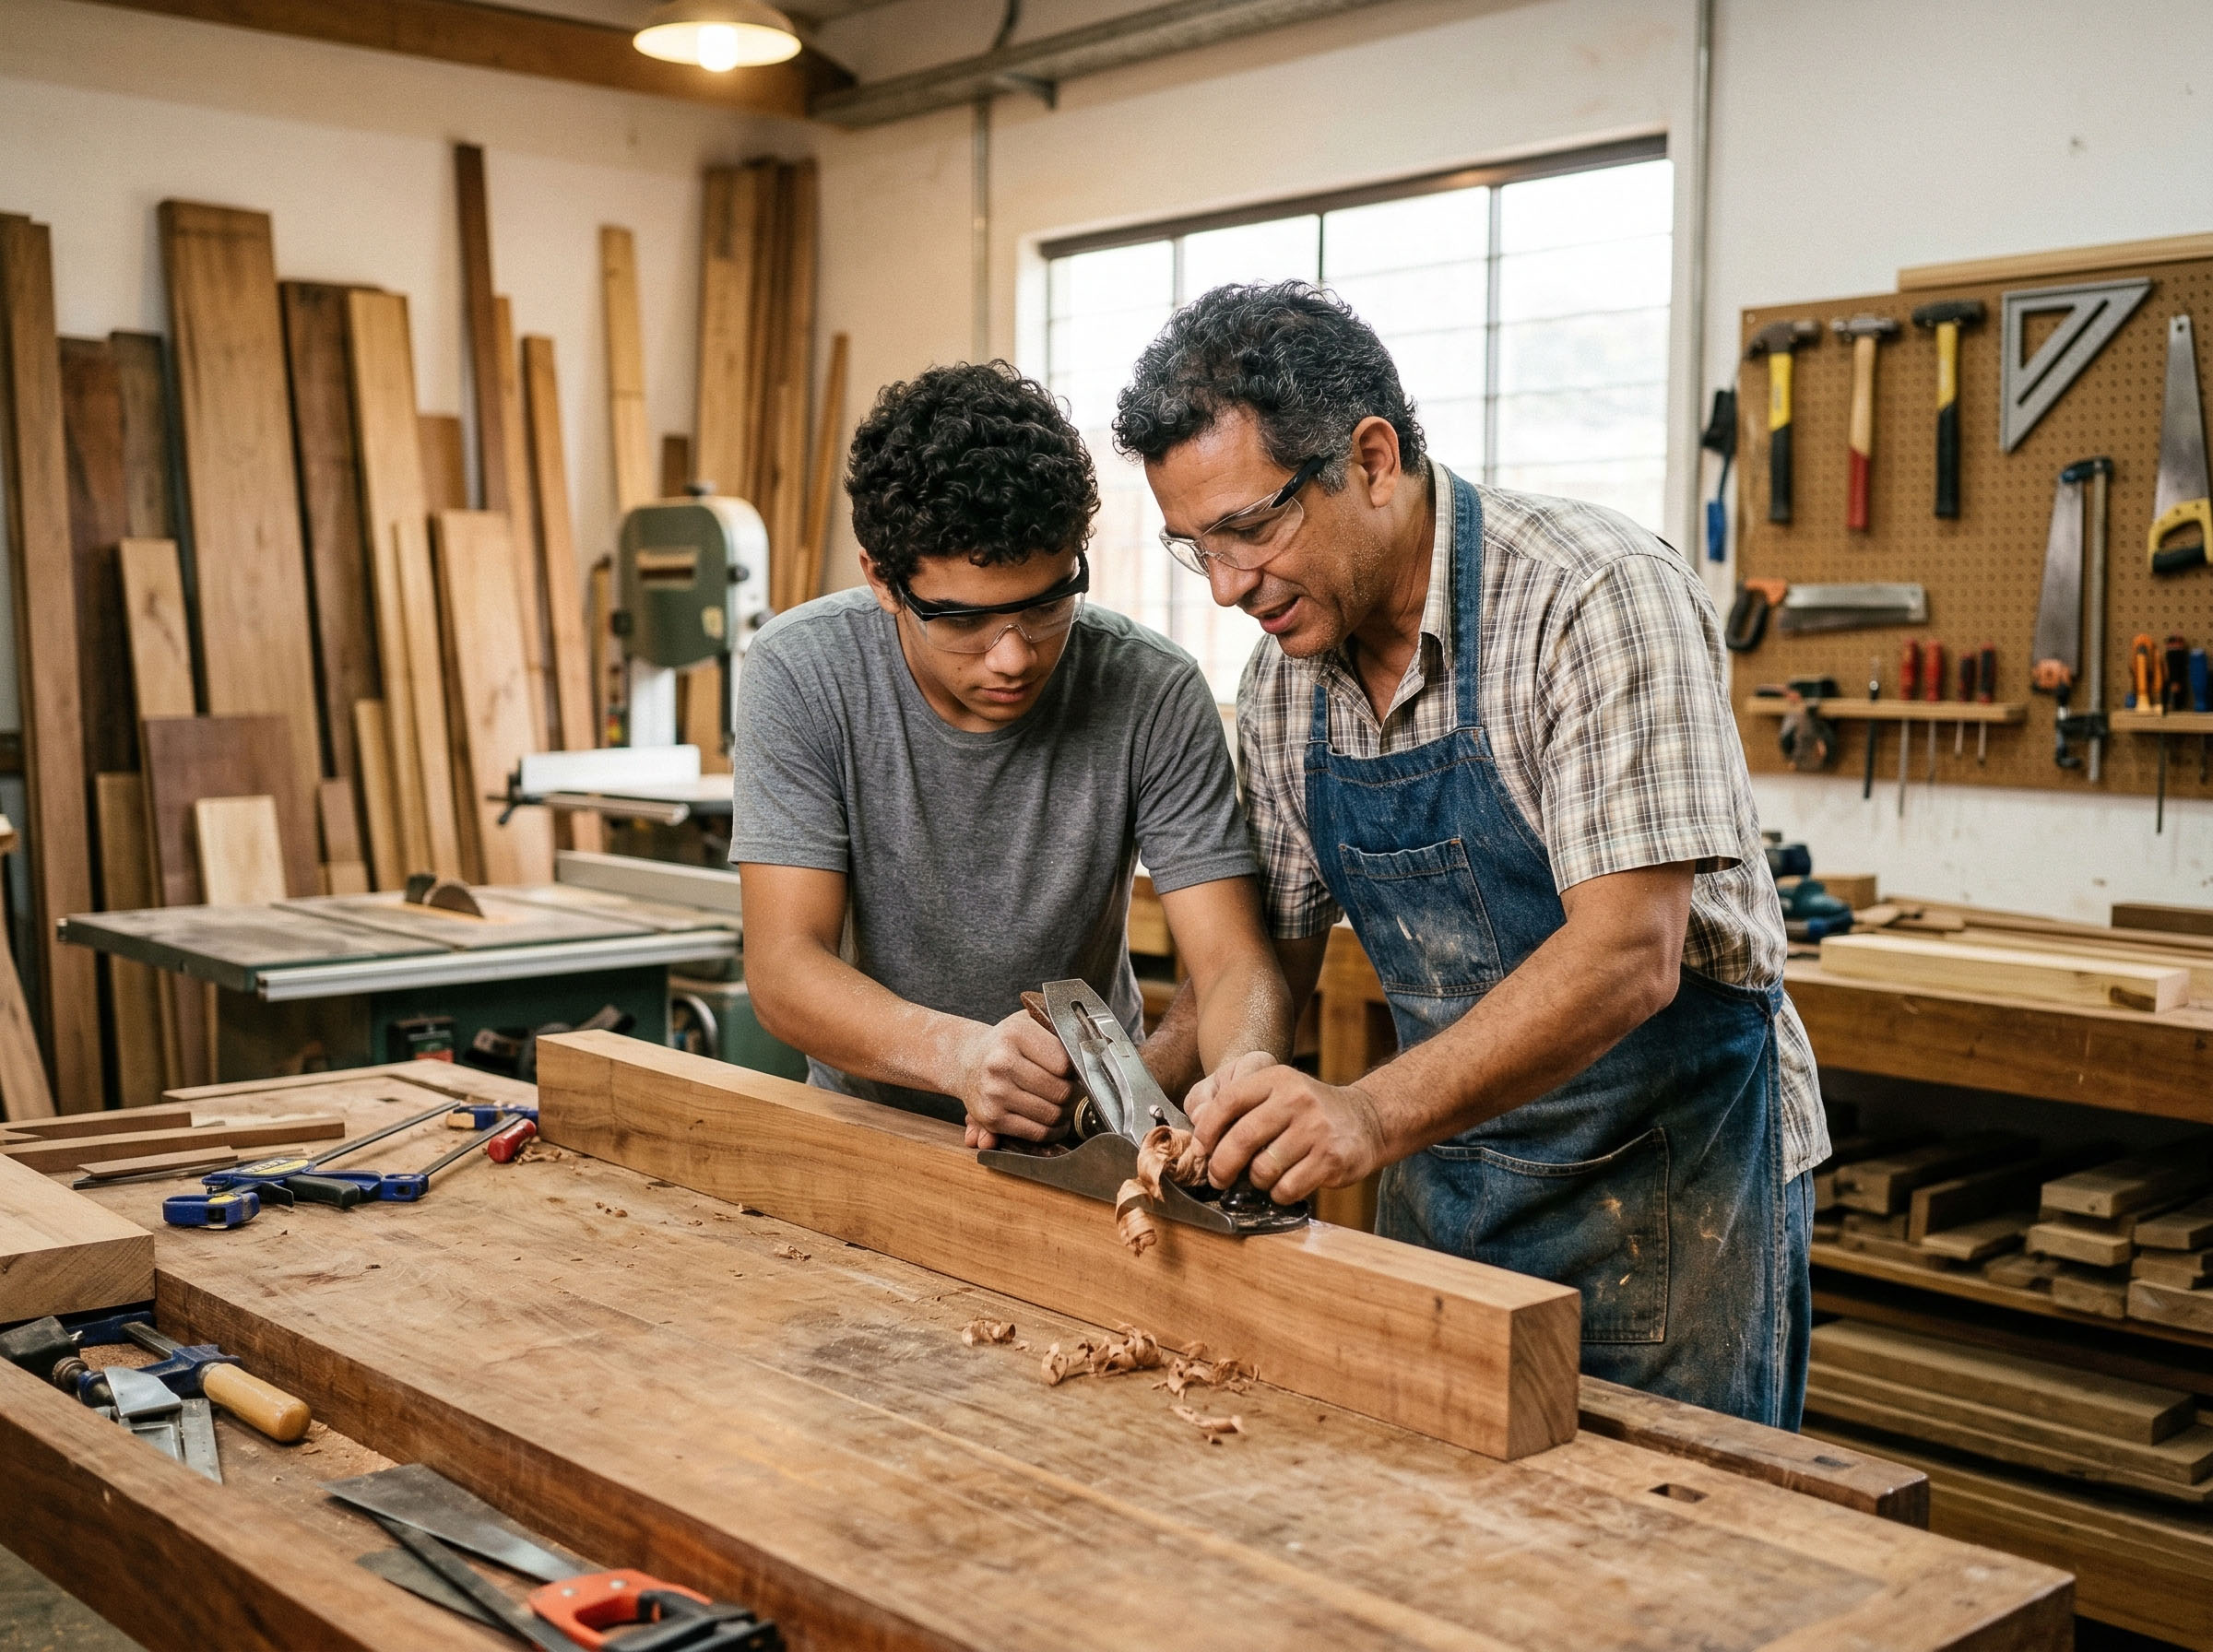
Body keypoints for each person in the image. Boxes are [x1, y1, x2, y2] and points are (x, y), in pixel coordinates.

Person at [1116, 283, 1827, 1426]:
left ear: (1373, 457)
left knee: (1675, 1565)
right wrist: (1224, 1078)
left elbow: (1627, 957)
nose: (1230, 586)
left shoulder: (1590, 597)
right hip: (1449, 1182)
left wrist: (1366, 1117)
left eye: (1251, 529)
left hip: (1673, 1190)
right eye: (1196, 548)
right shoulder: (1284, 683)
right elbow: (1269, 968)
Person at [731, 360, 1293, 1146]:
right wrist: (962, 1057)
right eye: (964, 621)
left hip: (1086, 1136)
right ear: (882, 581)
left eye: (1047, 604)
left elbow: (1231, 963)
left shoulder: (1151, 689)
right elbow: (785, 970)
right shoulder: (802, 670)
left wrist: (1193, 1084)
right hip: (870, 1127)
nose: (1013, 658)